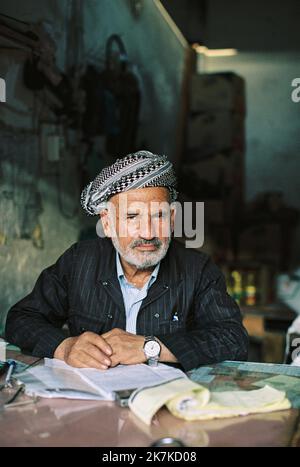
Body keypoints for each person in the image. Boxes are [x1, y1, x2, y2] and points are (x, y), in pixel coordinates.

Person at [5, 150, 248, 371]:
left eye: (159, 216)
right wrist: (64, 347)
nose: (148, 232)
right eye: (132, 216)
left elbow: (232, 338)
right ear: (108, 223)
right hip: (93, 404)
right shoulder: (79, 261)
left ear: (173, 219)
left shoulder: (197, 269)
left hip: (164, 405)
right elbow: (21, 318)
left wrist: (150, 347)